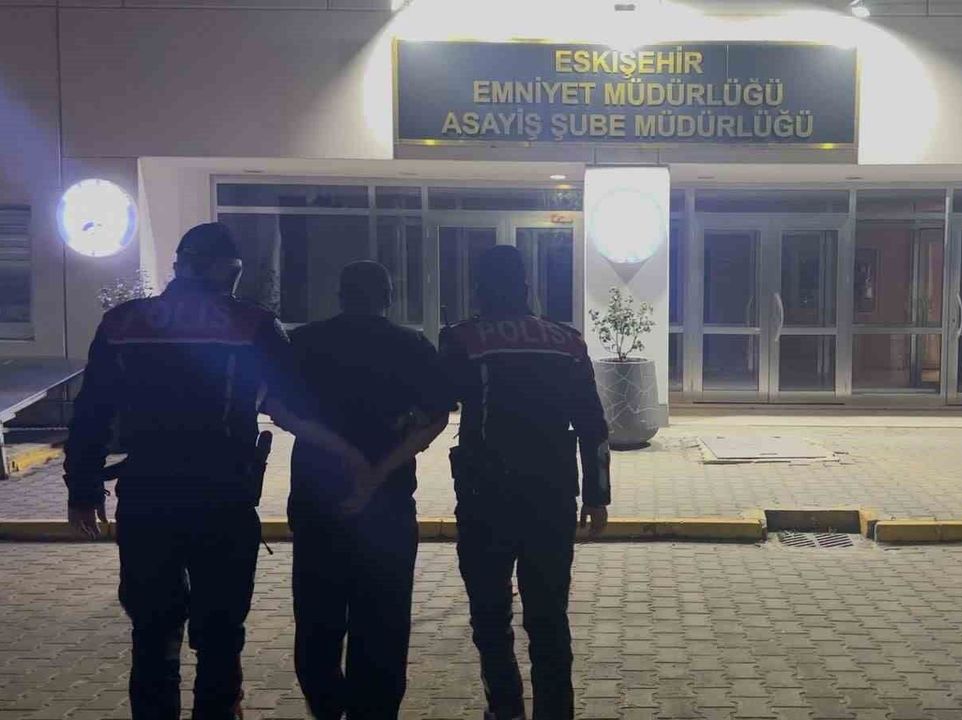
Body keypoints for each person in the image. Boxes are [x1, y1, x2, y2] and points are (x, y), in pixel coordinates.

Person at [64, 222, 371, 720]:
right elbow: (292, 404)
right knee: (221, 634)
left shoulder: (124, 322)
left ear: (179, 266)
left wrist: (83, 490)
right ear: (226, 269)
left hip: (148, 497)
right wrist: (351, 451)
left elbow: (92, 412)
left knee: (153, 632)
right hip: (222, 499)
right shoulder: (251, 324)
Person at [440, 245, 611, 720]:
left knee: (490, 615)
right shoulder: (567, 341)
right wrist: (597, 496)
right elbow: (593, 424)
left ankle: (506, 709)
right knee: (549, 617)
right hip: (551, 498)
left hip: (485, 498)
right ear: (525, 287)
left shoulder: (463, 339)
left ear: (479, 289)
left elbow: (439, 400)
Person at [287, 260, 452, 720]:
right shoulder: (411, 346)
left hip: (318, 501)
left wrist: (343, 453)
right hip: (388, 505)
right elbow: (436, 417)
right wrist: (376, 473)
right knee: (383, 624)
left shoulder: (306, 342)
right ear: (388, 297)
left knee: (318, 620)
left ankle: (325, 706)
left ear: (341, 295)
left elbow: (282, 410)